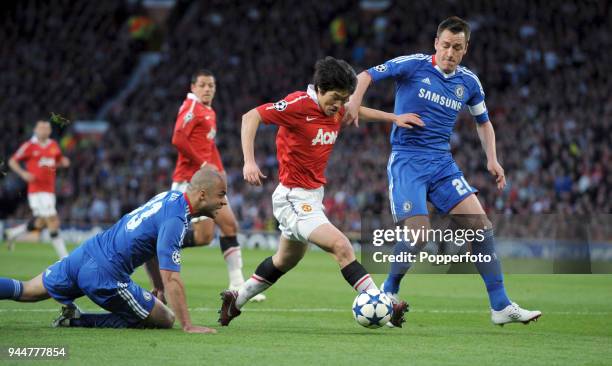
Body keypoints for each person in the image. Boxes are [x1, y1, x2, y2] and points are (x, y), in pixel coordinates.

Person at [345, 16, 541, 326]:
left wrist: (492, 158)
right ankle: (389, 292)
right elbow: (366, 75)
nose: (450, 52)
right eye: (446, 45)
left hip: (442, 163)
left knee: (480, 225)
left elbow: (483, 122)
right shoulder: (413, 65)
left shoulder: (469, 83)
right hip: (408, 160)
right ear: (436, 43)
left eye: (457, 47)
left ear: (466, 49)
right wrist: (355, 101)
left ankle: (501, 305)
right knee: (419, 234)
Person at [218, 56, 423, 327]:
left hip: (313, 197)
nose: (339, 105)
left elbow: (355, 110)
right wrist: (249, 160)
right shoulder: (297, 104)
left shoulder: (335, 107)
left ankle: (236, 300)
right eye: (335, 98)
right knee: (342, 246)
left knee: (284, 260)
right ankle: (381, 303)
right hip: (293, 197)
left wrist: (394, 117)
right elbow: (251, 116)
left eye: (344, 98)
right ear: (320, 89)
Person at [0, 166, 225, 333]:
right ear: (203, 194)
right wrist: (188, 324)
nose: (224, 202)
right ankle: (77, 320)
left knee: (26, 290)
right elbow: (172, 278)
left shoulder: (170, 196)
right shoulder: (176, 219)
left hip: (85, 253)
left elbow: (155, 248)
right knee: (166, 319)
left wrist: (156, 286)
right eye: (221, 194)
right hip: (105, 275)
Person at [170, 69, 264, 302]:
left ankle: (238, 285)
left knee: (229, 226)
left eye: (211, 85)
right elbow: (178, 138)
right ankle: (156, 244)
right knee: (202, 237)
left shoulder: (208, 111)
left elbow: (209, 146)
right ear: (192, 87)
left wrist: (219, 170)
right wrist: (203, 164)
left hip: (208, 181)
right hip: (188, 182)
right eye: (202, 85)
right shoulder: (191, 108)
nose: (207, 89)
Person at [4, 120, 70, 258]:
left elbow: (56, 161)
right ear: (35, 130)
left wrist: (63, 162)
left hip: (50, 190)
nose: (44, 130)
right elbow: (12, 161)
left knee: (40, 222)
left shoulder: (53, 145)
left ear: (50, 131)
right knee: (52, 220)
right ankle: (65, 259)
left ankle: (13, 233)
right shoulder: (29, 146)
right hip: (36, 191)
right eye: (41, 128)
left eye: (46, 128)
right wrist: (23, 173)